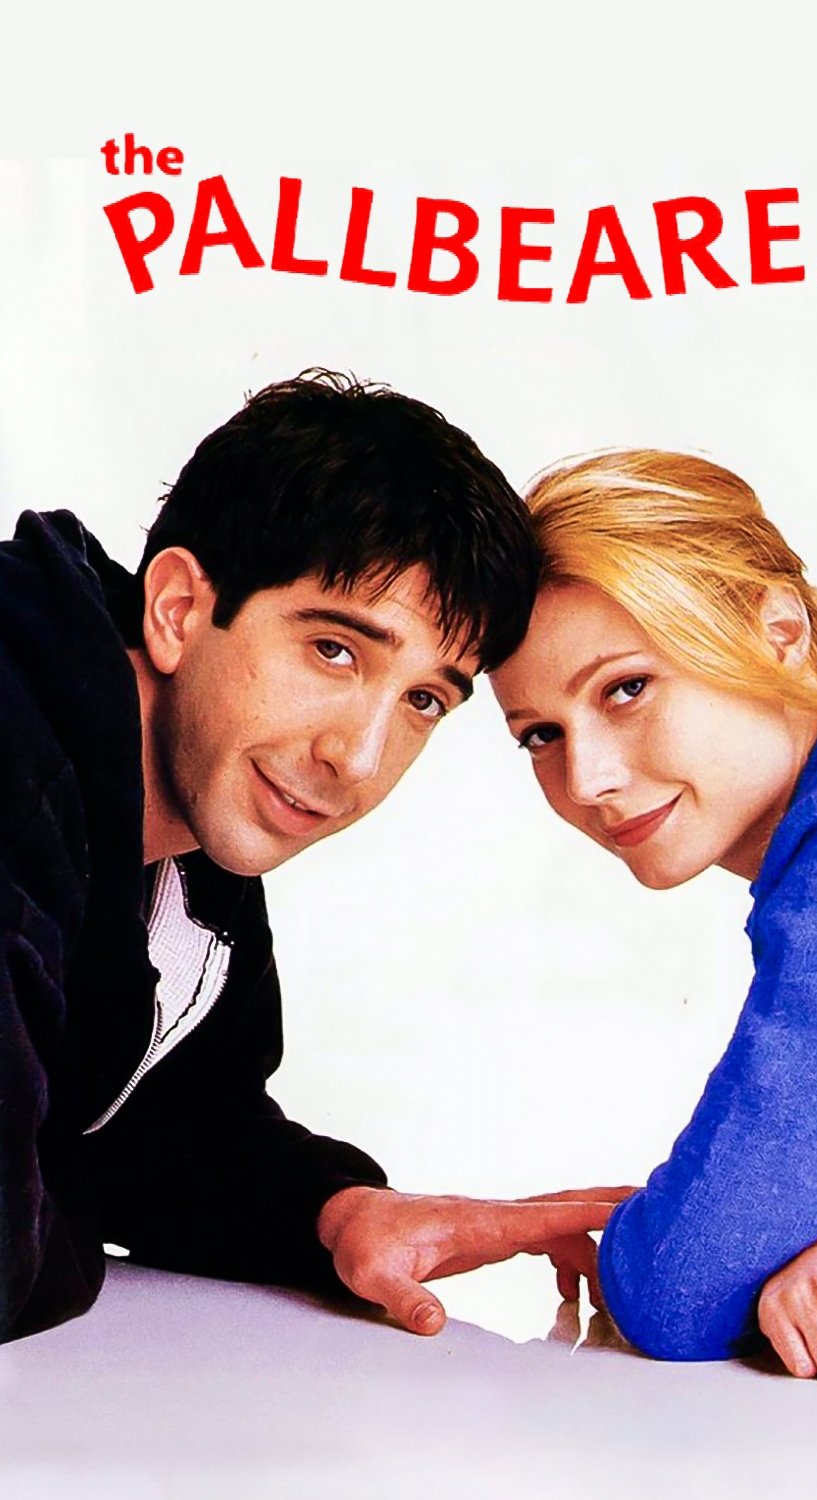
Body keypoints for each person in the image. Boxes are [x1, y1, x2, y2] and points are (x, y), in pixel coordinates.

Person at [0, 369, 621, 1346]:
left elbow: (160, 1132)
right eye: (334, 650)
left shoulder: (191, 824)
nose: (357, 758)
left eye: (423, 700)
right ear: (177, 609)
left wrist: (332, 1213)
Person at [490, 447, 817, 1385]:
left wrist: (713, 1244)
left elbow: (678, 1286)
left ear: (778, 631)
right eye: (540, 735)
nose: (586, 778)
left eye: (626, 688)